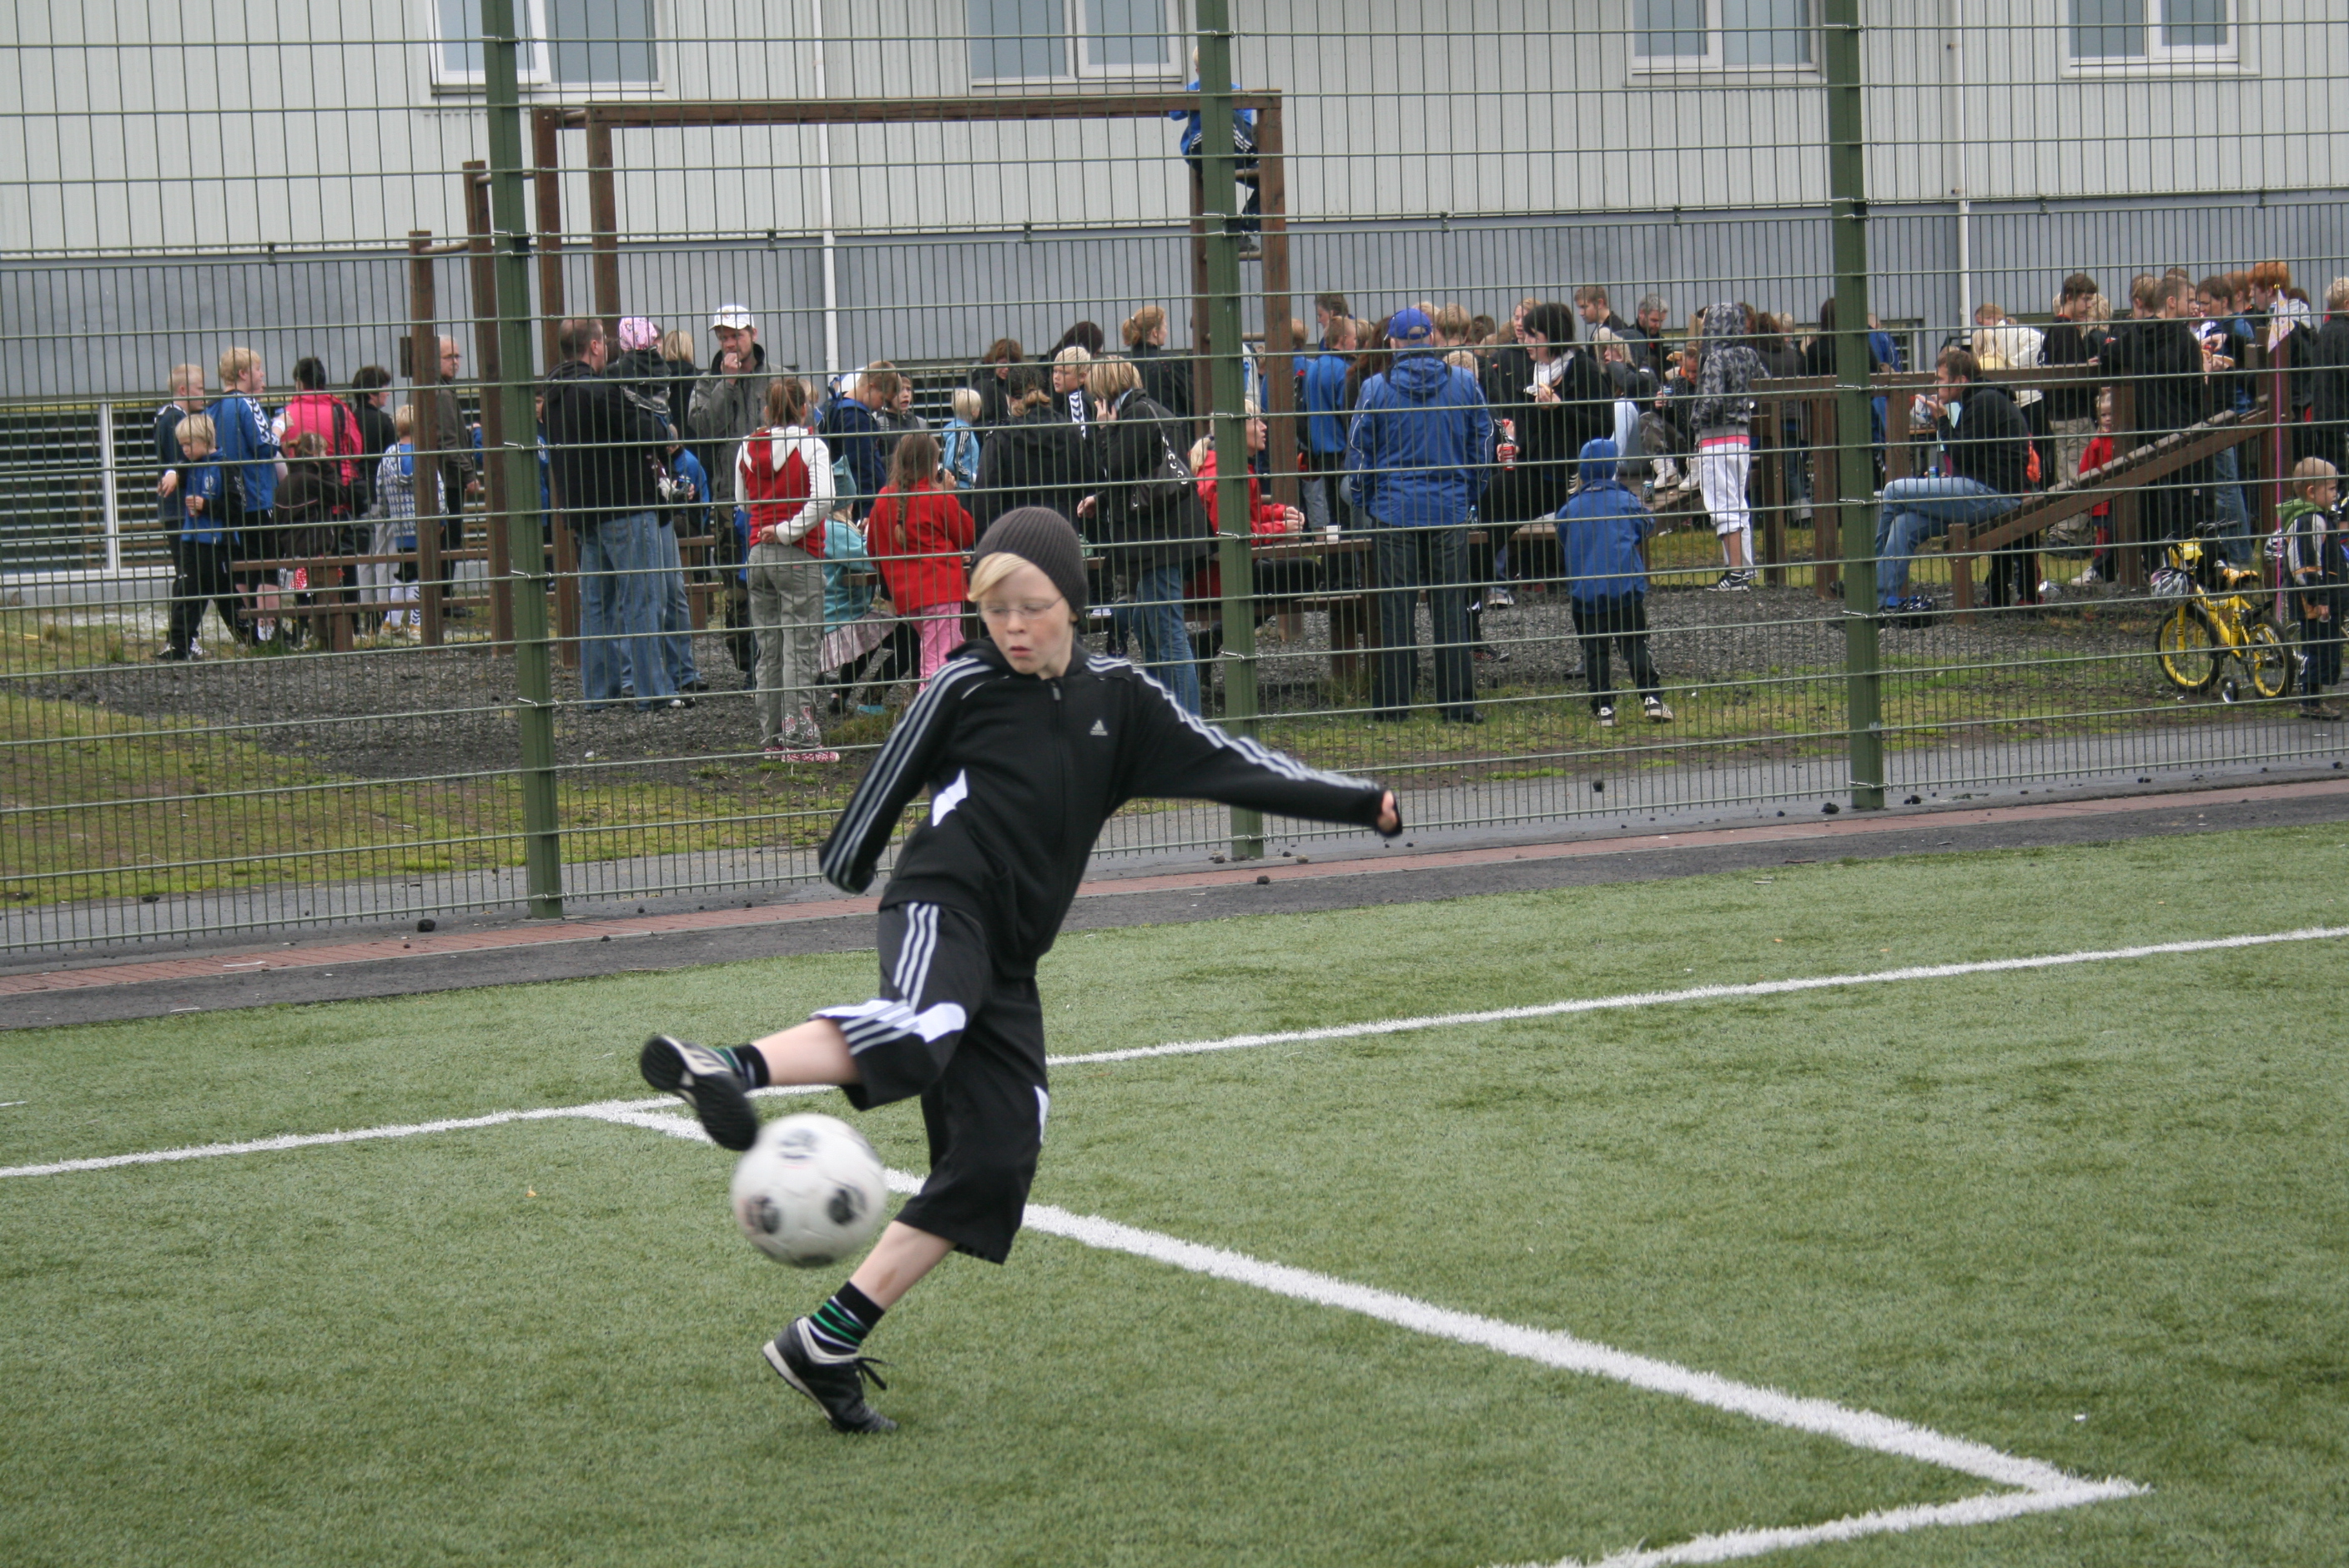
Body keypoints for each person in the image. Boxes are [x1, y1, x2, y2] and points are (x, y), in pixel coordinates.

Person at [636, 507, 1403, 1434]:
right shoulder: (963, 683)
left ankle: (825, 1341)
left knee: (997, 1156)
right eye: (994, 608)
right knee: (922, 1027)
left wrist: (1359, 801)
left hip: (1008, 956)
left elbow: (1230, 764)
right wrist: (851, 857)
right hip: (940, 903)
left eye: (1031, 606)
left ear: (1072, 603)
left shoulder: (1122, 701)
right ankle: (727, 1065)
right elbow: (888, 777)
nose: (1011, 626)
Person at [1343, 306, 1491, 723]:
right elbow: (1483, 443)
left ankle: (1393, 705)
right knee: (1450, 606)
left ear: (1392, 343)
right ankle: (1458, 704)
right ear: (1432, 338)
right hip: (1448, 508)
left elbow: (1358, 453)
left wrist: (1368, 500)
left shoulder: (1375, 388)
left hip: (1393, 511)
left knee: (1396, 608)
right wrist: (1469, 491)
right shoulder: (1464, 383)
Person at [543, 317, 686, 712]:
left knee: (597, 605)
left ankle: (599, 693)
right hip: (626, 506)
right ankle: (651, 692)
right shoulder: (599, 391)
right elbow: (648, 433)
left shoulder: (553, 393)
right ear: (594, 347)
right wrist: (666, 432)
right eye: (602, 342)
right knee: (642, 599)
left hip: (583, 511)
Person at [1077, 355, 1212, 714]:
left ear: (1104, 387)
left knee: (1167, 632)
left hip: (1159, 540)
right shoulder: (1151, 410)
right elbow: (1144, 473)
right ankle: (1162, 711)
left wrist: (1104, 431)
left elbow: (1116, 467)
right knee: (1145, 622)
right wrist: (1101, 498)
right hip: (1162, 534)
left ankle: (1186, 723)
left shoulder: (1135, 415)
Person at [1873, 347, 2030, 621]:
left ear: (1960, 381)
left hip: (1994, 495)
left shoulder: (1984, 401)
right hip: (1983, 489)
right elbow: (1969, 457)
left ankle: (1866, 577)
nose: (1936, 384)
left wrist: (1942, 420)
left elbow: (1960, 453)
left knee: (1893, 491)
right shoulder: (1980, 399)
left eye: (1940, 379)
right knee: (1904, 524)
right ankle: (1882, 601)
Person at [738, 376, 838, 758]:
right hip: (799, 554)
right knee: (801, 647)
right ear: (804, 409)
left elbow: (743, 502)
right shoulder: (812, 445)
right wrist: (787, 531)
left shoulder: (747, 446)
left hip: (757, 555)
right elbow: (824, 499)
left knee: (770, 650)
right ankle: (801, 740)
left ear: (767, 410)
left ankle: (773, 737)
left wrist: (770, 526)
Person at [2098, 274, 2213, 565]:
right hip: (2183, 432)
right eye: (2190, 300)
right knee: (2187, 505)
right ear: (2172, 302)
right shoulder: (2184, 340)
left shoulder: (2135, 336)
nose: (2195, 306)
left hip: (2146, 435)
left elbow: (2107, 355)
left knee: (2150, 502)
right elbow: (2194, 392)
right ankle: (2188, 565)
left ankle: (2153, 564)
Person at [1557, 439, 1671, 726]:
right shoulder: (1625, 502)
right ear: (1613, 469)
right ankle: (1652, 698)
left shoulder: (1571, 508)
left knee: (1595, 651)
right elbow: (1646, 525)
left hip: (1585, 592)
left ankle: (1604, 708)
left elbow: (1562, 535)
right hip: (1624, 588)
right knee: (1635, 644)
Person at [868, 428, 978, 686]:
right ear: (932, 462)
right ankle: (930, 707)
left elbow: (874, 550)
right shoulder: (937, 497)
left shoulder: (884, 498)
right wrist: (948, 494)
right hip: (941, 589)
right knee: (937, 659)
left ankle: (959, 701)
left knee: (949, 650)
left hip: (907, 594)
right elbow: (966, 534)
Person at [206, 347, 279, 644]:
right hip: (257, 497)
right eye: (258, 369)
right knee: (267, 567)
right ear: (243, 373)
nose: (262, 374)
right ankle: (269, 631)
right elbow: (265, 445)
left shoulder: (211, 409)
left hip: (229, 504)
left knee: (241, 568)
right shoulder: (247, 404)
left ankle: (249, 632)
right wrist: (279, 428)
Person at [1689, 303, 1763, 591]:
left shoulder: (1714, 358)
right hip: (1741, 437)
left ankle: (1735, 574)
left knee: (1722, 506)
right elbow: (1766, 384)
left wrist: (1696, 418)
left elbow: (1713, 401)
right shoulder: (1749, 355)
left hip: (1715, 438)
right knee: (1738, 503)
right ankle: (1745, 568)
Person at [972, 364, 1086, 530]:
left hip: (1016, 531)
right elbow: (1087, 480)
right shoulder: (1070, 431)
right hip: (1063, 528)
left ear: (1009, 398)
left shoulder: (999, 437)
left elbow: (986, 497)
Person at [161, 413, 238, 658]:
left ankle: (249, 636)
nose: (184, 449)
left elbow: (236, 507)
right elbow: (177, 468)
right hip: (190, 540)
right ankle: (178, 644)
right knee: (187, 591)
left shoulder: (225, 466)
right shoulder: (190, 465)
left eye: (188, 444)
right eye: (181, 445)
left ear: (205, 440)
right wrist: (172, 472)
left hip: (217, 543)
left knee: (225, 594)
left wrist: (207, 505)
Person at [689, 304, 770, 530]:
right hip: (728, 495)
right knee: (730, 553)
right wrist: (727, 383)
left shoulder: (778, 378)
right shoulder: (707, 382)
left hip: (775, 492)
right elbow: (702, 428)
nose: (729, 344)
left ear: (754, 334)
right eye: (723, 338)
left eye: (736, 335)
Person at [2279, 457, 2344, 719]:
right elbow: (2305, 564)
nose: (2336, 494)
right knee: (2316, 648)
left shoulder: (2322, 518)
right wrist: (2318, 597)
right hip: (2314, 602)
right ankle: (2310, 701)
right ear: (2311, 491)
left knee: (2327, 647)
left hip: (2326, 598)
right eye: (2331, 488)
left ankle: (2314, 697)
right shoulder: (2309, 522)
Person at [151, 365, 207, 660]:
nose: (204, 395)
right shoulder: (174, 420)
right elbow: (180, 463)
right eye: (200, 389)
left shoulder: (169, 416)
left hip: (178, 509)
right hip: (180, 510)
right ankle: (180, 640)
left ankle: (184, 638)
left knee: (193, 575)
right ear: (184, 390)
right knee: (189, 575)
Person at [372, 405, 437, 633]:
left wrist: (385, 514)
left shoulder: (388, 457)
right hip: (423, 523)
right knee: (422, 573)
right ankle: (417, 624)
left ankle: (392, 621)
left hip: (400, 526)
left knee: (405, 572)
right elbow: (437, 488)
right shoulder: (424, 455)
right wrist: (442, 518)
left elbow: (380, 489)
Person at [2043, 274, 2108, 489]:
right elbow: (2069, 378)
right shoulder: (2067, 331)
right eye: (2085, 299)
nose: (2089, 306)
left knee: (2068, 471)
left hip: (2061, 414)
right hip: (2073, 415)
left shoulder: (2057, 328)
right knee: (2077, 474)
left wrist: (2083, 365)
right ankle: (2074, 512)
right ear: (2070, 297)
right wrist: (2094, 383)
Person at [1300, 313, 1356, 537]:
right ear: (1344, 339)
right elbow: (1348, 413)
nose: (1356, 344)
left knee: (1334, 514)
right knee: (1348, 514)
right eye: (1354, 339)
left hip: (1320, 451)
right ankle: (1350, 558)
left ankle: (1336, 558)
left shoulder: (1315, 367)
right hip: (1341, 451)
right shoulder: (1343, 370)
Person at [817, 365, 892, 518]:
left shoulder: (833, 406)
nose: (882, 407)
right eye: (883, 399)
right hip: (857, 506)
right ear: (870, 388)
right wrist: (868, 510)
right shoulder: (857, 419)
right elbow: (861, 467)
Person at [1123, 305, 1193, 423]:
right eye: (1165, 327)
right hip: (1171, 428)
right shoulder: (1170, 363)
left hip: (1134, 427)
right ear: (1155, 332)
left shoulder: (1122, 364)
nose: (1166, 332)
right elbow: (1191, 400)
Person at [2308, 277, 2349, 472]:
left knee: (2332, 471)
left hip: (2324, 415)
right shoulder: (2345, 333)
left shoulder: (2325, 330)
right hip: (2342, 417)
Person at [969, 339, 1024, 427]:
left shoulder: (1011, 384)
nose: (1007, 369)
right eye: (1003, 364)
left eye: (1011, 365)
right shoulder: (985, 385)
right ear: (993, 362)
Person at [939, 388, 983, 490]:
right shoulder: (963, 432)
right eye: (978, 407)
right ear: (973, 411)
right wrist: (972, 477)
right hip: (961, 487)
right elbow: (954, 463)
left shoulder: (960, 430)